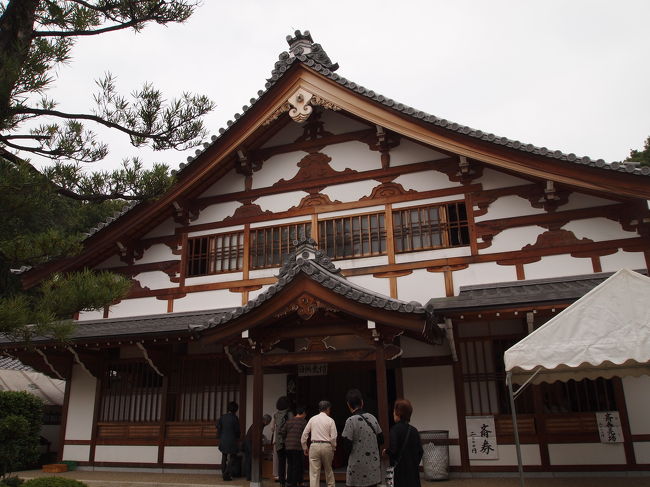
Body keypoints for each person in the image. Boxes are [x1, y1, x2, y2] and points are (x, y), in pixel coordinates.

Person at [341, 389, 383, 487]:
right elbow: (381, 439)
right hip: (373, 469)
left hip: (357, 471)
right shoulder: (373, 418)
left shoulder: (350, 421)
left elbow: (346, 447)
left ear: (348, 405)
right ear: (362, 402)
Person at [383, 399, 423, 487]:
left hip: (400, 473)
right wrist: (414, 463)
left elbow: (394, 450)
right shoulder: (414, 430)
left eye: (394, 411)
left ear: (398, 413)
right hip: (413, 473)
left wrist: (386, 451)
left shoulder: (395, 430)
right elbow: (420, 451)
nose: (393, 413)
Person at [301, 400, 337, 487]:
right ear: (328, 409)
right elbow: (333, 437)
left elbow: (304, 434)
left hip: (314, 445)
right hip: (327, 445)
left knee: (314, 473)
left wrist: (305, 447)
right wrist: (333, 447)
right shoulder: (330, 420)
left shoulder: (312, 419)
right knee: (328, 470)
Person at [243, 414, 272, 481]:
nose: (268, 424)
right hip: (250, 442)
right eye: (269, 422)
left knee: (249, 459)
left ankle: (249, 476)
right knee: (251, 459)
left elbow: (258, 433)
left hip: (248, 441)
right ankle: (251, 476)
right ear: (266, 421)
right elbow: (256, 435)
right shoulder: (260, 424)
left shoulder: (259, 423)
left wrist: (263, 437)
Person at [216, 401, 241, 481]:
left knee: (224, 455)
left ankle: (223, 472)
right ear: (236, 409)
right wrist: (238, 437)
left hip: (223, 439)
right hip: (232, 440)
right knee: (233, 456)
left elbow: (218, 426)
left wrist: (220, 435)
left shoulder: (223, 417)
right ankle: (226, 474)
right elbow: (237, 431)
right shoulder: (235, 418)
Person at [285, 406, 307, 487]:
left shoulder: (289, 421)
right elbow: (306, 434)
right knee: (296, 465)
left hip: (288, 446)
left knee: (290, 464)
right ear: (303, 413)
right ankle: (294, 483)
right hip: (297, 446)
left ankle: (289, 482)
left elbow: (283, 431)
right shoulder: (303, 421)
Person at [272, 396, 292, 486]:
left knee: (281, 463)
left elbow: (272, 428)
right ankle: (289, 480)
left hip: (278, 442)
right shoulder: (290, 414)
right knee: (290, 462)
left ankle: (281, 482)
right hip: (288, 441)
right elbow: (292, 426)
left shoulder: (275, 415)